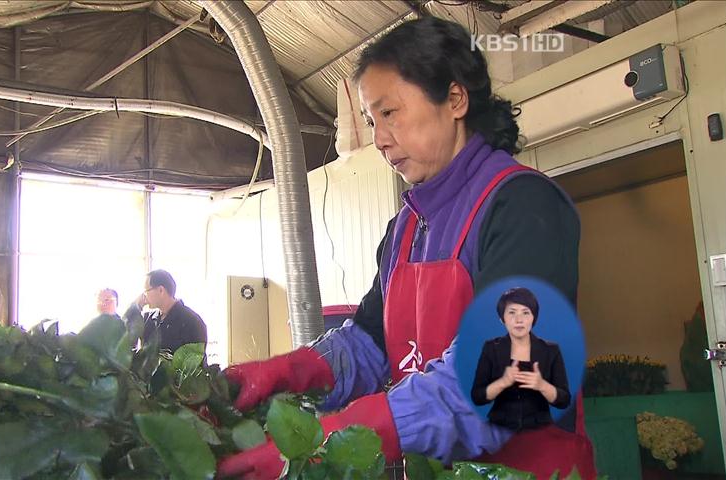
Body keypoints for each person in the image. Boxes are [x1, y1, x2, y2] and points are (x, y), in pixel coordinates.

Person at [218, 16, 596, 480]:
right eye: (372, 120)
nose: (378, 139)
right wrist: (290, 374)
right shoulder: (405, 228)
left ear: (455, 99)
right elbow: (369, 343)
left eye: (390, 113)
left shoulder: (523, 206)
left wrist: (335, 437)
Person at [471, 287, 570, 431]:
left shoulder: (550, 350)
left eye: (525, 313)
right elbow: (477, 397)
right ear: (502, 319)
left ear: (533, 318)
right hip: (499, 431)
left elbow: (564, 400)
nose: (519, 320)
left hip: (540, 431)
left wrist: (542, 385)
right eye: (512, 313)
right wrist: (502, 382)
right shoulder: (491, 348)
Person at [123, 269, 207, 355]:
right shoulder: (148, 319)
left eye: (146, 291)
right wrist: (134, 308)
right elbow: (123, 344)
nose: (143, 296)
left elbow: (195, 363)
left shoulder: (191, 321)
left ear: (161, 290)